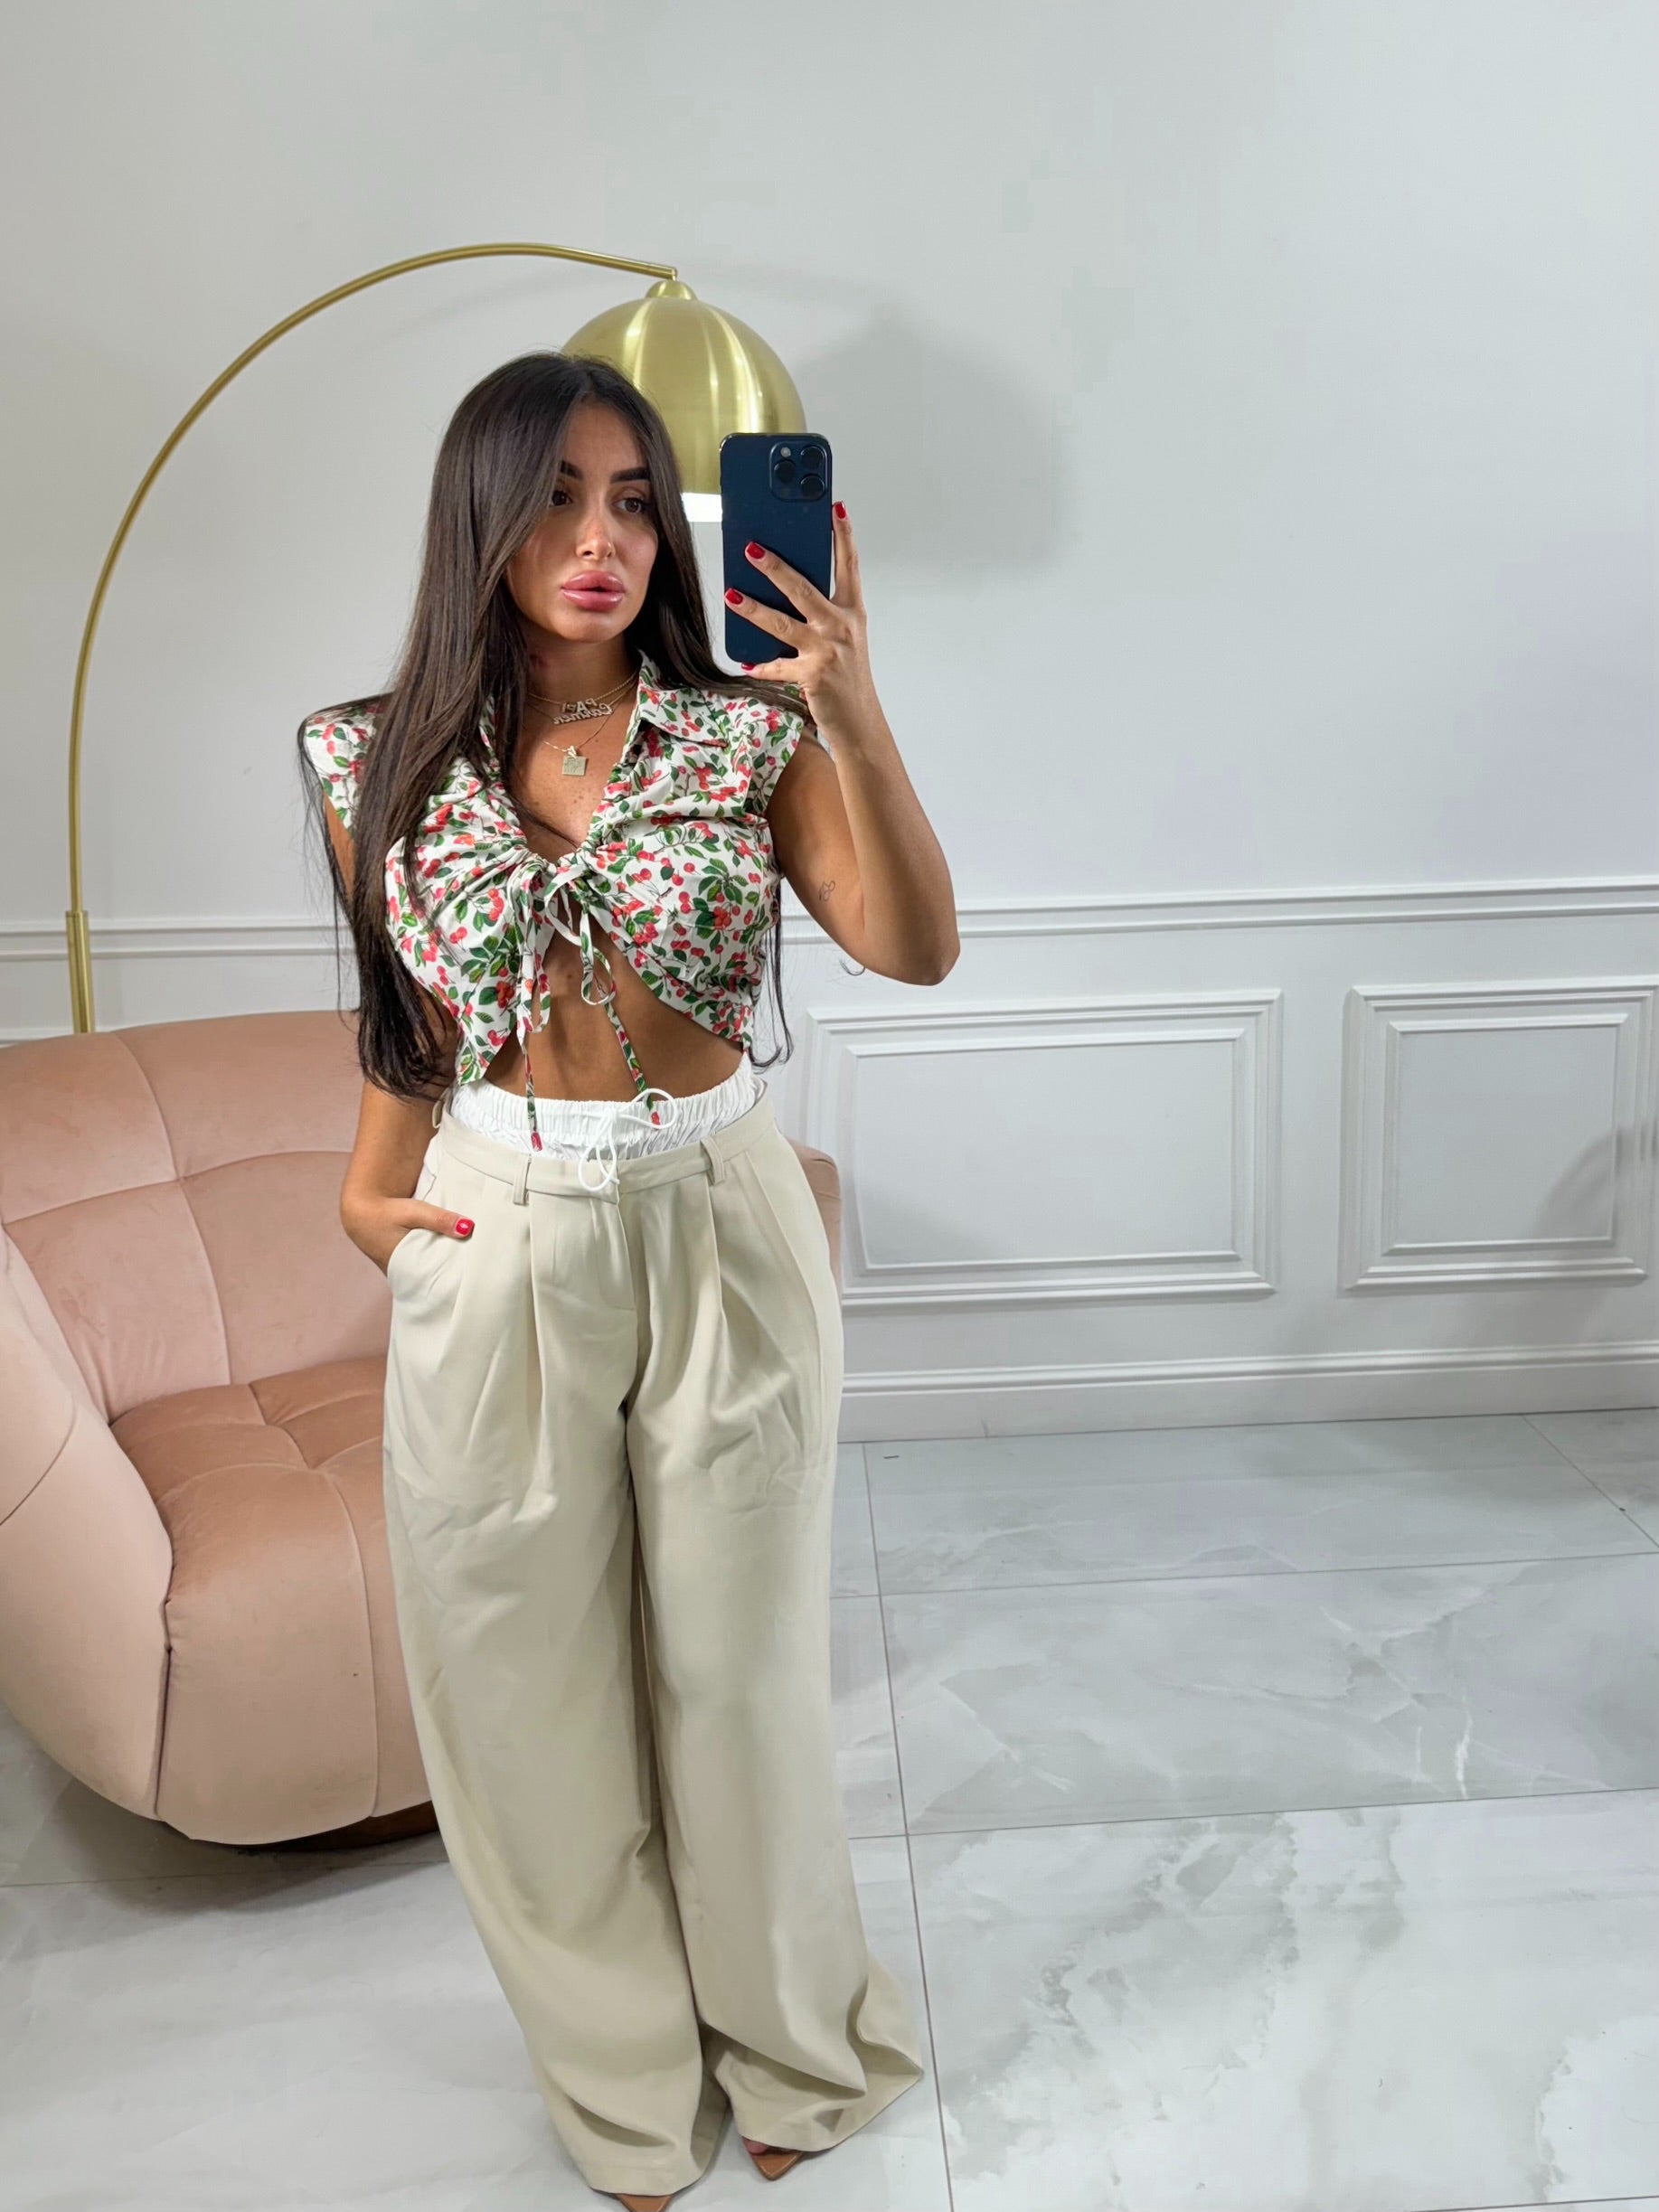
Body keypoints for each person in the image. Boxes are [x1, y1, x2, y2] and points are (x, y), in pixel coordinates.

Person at [296, 351, 959, 2208]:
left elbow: (916, 948)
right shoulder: (367, 756)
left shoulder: (743, 737)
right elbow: (414, 1016)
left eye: (635, 502)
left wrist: (855, 713)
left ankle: (793, 2048)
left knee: (740, 1681)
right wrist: (372, 1198)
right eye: (559, 499)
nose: (601, 539)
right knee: (522, 1699)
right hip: (496, 1226)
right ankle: (621, 2090)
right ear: (483, 521)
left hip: (718, 1216)